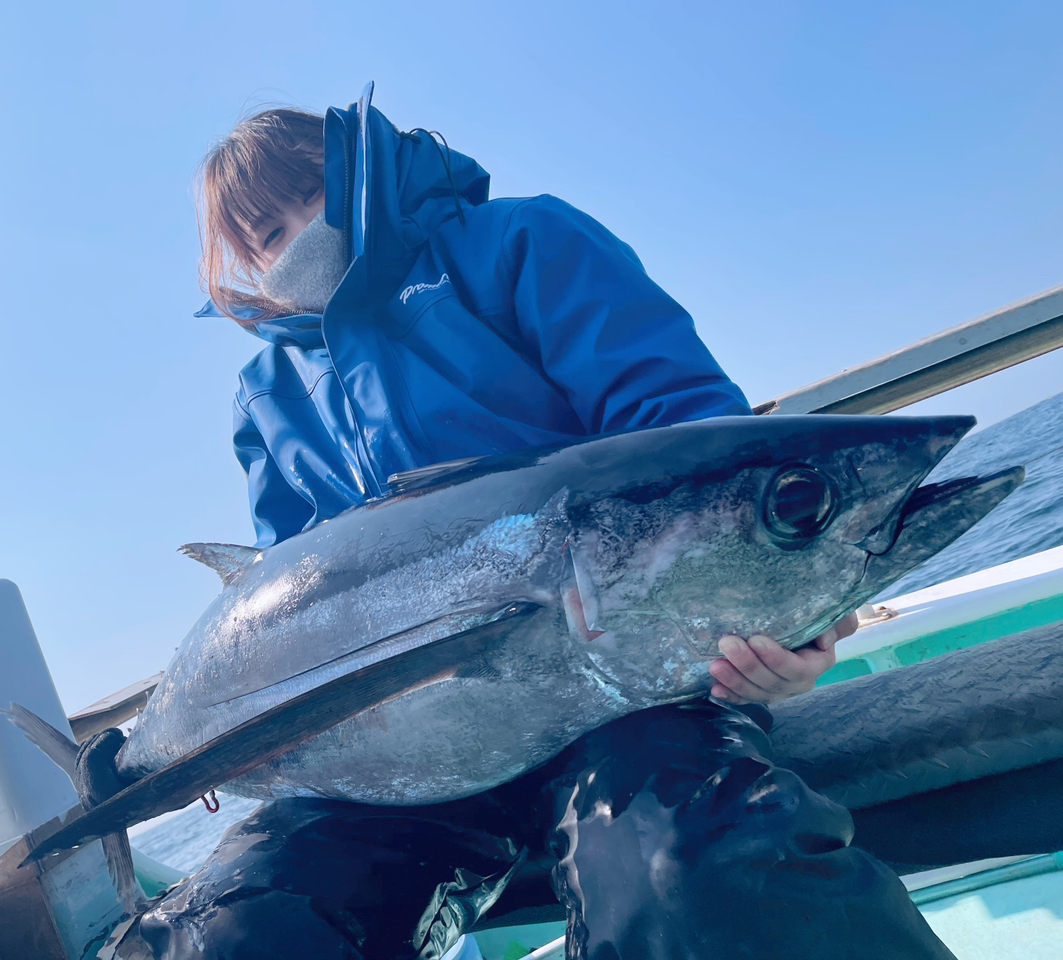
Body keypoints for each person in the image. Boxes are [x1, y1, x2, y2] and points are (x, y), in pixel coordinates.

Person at [139, 86, 954, 960]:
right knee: (233, 937)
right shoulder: (266, 397)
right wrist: (181, 749)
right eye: (267, 235)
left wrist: (795, 616)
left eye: (312, 192)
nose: (299, 232)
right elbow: (288, 601)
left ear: (357, 170)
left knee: (689, 876)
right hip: (400, 765)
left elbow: (698, 455)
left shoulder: (519, 243)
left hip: (632, 700)